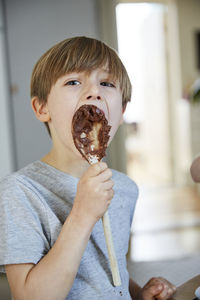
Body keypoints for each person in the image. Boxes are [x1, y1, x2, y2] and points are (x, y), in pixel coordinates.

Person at [0, 36, 176, 300]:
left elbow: (106, 271)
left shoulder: (125, 189)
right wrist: (82, 214)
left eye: (106, 83)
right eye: (73, 82)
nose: (95, 92)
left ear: (122, 111)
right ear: (42, 107)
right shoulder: (19, 193)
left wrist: (138, 293)